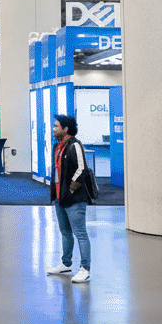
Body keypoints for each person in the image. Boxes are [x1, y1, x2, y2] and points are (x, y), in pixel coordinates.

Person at [47, 115, 92, 283]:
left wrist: (71, 190)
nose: (53, 129)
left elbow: (82, 169)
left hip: (74, 199)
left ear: (66, 129)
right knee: (65, 232)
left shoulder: (75, 145)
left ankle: (85, 269)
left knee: (80, 233)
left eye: (56, 126)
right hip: (59, 198)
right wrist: (57, 194)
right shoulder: (57, 146)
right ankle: (66, 263)